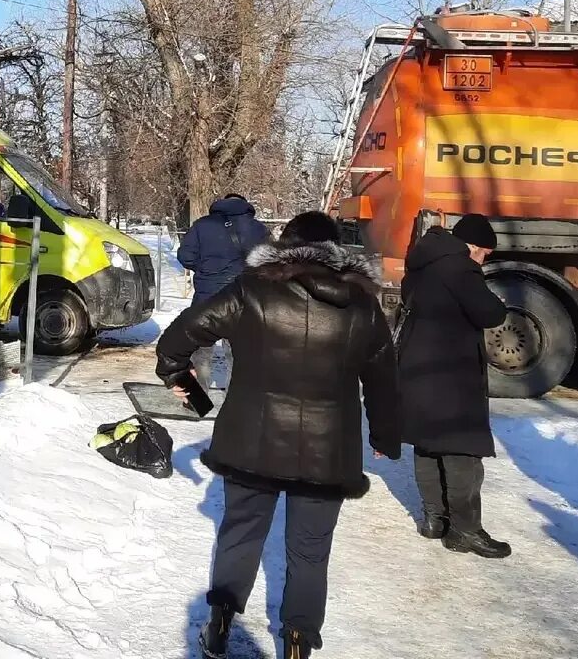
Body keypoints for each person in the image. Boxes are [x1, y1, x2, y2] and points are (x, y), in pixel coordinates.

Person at [157, 211, 401, 659]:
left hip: (251, 441)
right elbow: (384, 377)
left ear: (286, 245)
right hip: (328, 451)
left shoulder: (253, 289)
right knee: (310, 551)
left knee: (241, 534)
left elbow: (181, 333)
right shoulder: (362, 305)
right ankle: (296, 644)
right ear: (336, 251)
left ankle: (219, 628)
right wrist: (385, 435)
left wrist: (185, 382)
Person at [398, 214, 510, 559]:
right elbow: (490, 313)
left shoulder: (421, 262)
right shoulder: (459, 268)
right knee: (461, 448)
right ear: (473, 246)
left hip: (418, 366)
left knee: (428, 443)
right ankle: (466, 530)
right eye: (485, 253)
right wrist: (499, 304)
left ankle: (434, 519)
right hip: (451, 370)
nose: (484, 259)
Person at [176, 195, 270, 388]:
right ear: (245, 206)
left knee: (200, 351)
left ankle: (196, 403)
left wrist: (206, 270)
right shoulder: (258, 229)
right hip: (242, 299)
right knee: (238, 354)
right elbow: (270, 262)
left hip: (206, 299)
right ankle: (235, 405)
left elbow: (185, 256)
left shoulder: (202, 226)